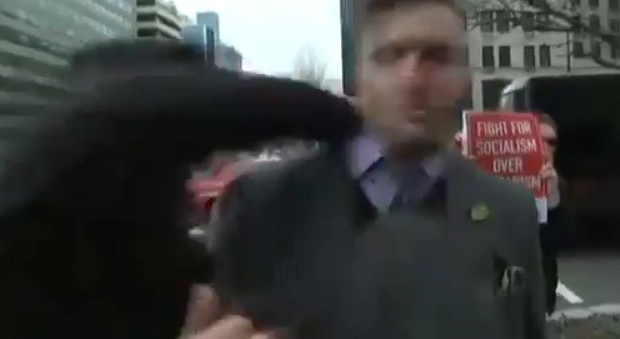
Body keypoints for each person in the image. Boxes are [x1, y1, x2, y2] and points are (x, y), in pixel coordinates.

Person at [199, 0, 546, 339]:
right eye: (390, 56)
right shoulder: (261, 208)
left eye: (436, 57)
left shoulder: (511, 212)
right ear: (359, 78)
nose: (412, 79)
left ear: (466, 80)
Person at [0, 40, 361, 339]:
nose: (203, 155)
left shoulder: (126, 190)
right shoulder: (88, 134)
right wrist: (346, 114)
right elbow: (230, 104)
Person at [537, 112, 566, 316]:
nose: (545, 147)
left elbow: (558, 243)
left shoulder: (559, 185)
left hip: (543, 292)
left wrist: (551, 195)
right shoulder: (505, 181)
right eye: (540, 140)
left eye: (551, 142)